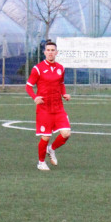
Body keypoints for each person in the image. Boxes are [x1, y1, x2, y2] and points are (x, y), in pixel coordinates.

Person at [26, 40, 71, 172]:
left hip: (58, 107)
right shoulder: (38, 68)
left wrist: (64, 94)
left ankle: (51, 149)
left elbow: (61, 84)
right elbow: (28, 86)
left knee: (66, 133)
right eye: (48, 50)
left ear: (56, 52)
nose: (50, 52)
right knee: (45, 136)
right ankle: (41, 163)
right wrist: (35, 97)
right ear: (44, 52)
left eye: (53, 50)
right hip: (44, 108)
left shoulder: (61, 68)